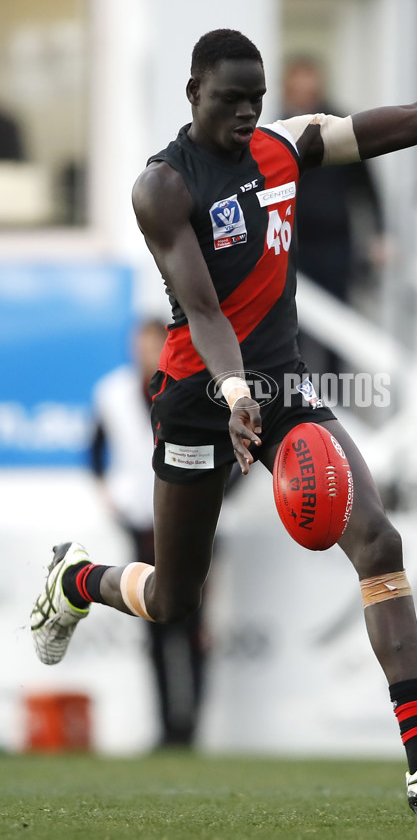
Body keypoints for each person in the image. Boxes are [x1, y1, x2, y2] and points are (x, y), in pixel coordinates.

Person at [31, 0, 417, 814]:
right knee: (176, 599)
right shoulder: (162, 186)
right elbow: (204, 309)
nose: (248, 111)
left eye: (255, 98)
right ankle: (73, 584)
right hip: (196, 397)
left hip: (284, 389)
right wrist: (232, 395)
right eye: (230, 99)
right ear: (191, 92)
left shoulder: (289, 145)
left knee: (379, 542)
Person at [89, 318, 206, 748]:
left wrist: (220, 499)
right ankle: (165, 726)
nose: (144, 352)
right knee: (154, 625)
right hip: (141, 522)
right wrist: (110, 497)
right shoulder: (114, 393)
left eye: (153, 343)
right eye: (139, 344)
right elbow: (96, 450)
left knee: (192, 624)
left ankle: (191, 725)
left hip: (193, 522)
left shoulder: (192, 387)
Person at [281, 57, 386, 380]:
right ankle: (296, 401)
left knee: (337, 330)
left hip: (336, 245)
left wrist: (380, 235)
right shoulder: (276, 131)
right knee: (290, 331)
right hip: (292, 249)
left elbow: (367, 187)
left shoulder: (341, 127)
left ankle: (335, 406)